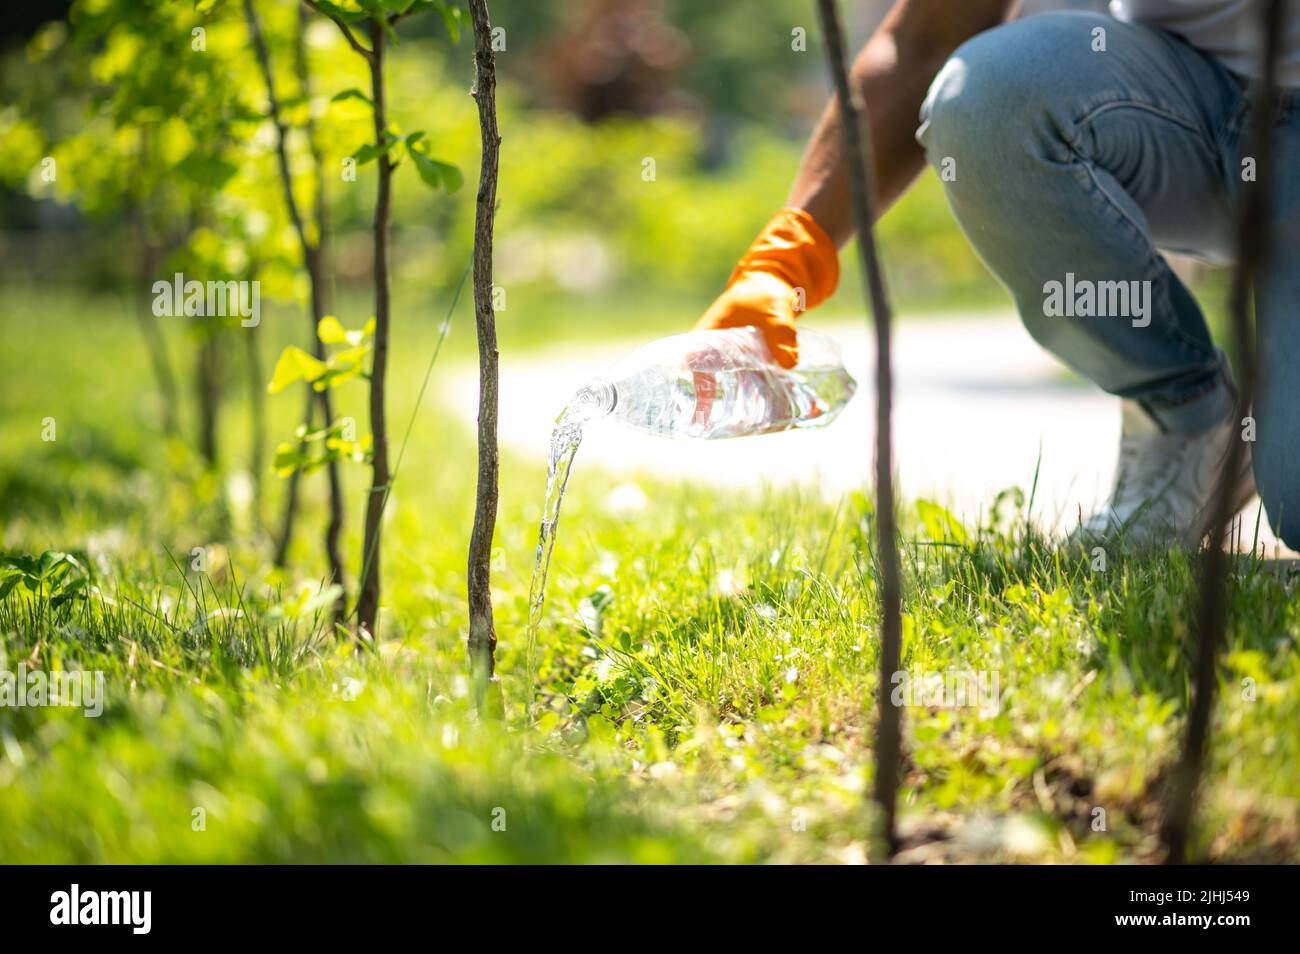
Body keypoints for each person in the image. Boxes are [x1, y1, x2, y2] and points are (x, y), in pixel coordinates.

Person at [695, 0, 1299, 549]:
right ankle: (1189, 417)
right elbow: (927, 37)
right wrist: (788, 255)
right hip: (1179, 103)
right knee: (992, 94)